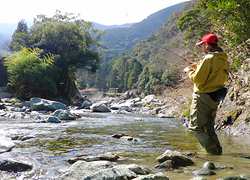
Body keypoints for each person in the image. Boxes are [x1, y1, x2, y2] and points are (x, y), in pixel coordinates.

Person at [183, 33, 230, 155]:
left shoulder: (208, 58)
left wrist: (189, 71)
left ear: (207, 45)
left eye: (202, 45)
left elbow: (198, 79)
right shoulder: (222, 57)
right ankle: (218, 153)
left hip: (203, 96)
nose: (201, 47)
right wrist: (198, 67)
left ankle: (212, 152)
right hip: (215, 96)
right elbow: (214, 73)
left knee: (195, 128)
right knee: (208, 127)